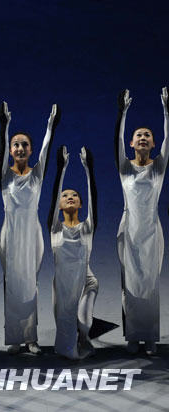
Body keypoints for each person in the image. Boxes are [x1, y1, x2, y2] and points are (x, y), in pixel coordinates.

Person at [0, 101, 60, 355]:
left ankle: (31, 337)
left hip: (32, 233)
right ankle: (14, 337)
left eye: (25, 145)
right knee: (12, 284)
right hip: (10, 232)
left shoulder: (37, 174)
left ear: (30, 150)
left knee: (31, 283)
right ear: (11, 151)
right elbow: (1, 147)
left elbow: (47, 149)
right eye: (16, 144)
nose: (20, 148)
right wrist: (6, 125)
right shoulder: (5, 175)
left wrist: (49, 125)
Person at [115, 88, 169, 355]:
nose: (144, 138)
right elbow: (118, 140)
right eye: (139, 136)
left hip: (151, 230)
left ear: (153, 143)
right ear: (133, 144)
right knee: (130, 283)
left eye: (148, 135)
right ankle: (133, 336)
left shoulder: (158, 167)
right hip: (129, 230)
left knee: (150, 283)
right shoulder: (125, 167)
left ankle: (149, 337)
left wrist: (166, 111)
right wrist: (122, 112)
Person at [48, 146, 99, 359]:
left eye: (75, 195)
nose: (70, 197)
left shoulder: (87, 226)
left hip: (86, 281)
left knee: (84, 320)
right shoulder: (55, 228)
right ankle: (74, 338)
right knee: (64, 336)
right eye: (65, 195)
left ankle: (85, 336)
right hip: (62, 285)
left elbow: (93, 198)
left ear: (80, 203)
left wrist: (89, 169)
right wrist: (61, 169)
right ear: (59, 206)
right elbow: (52, 196)